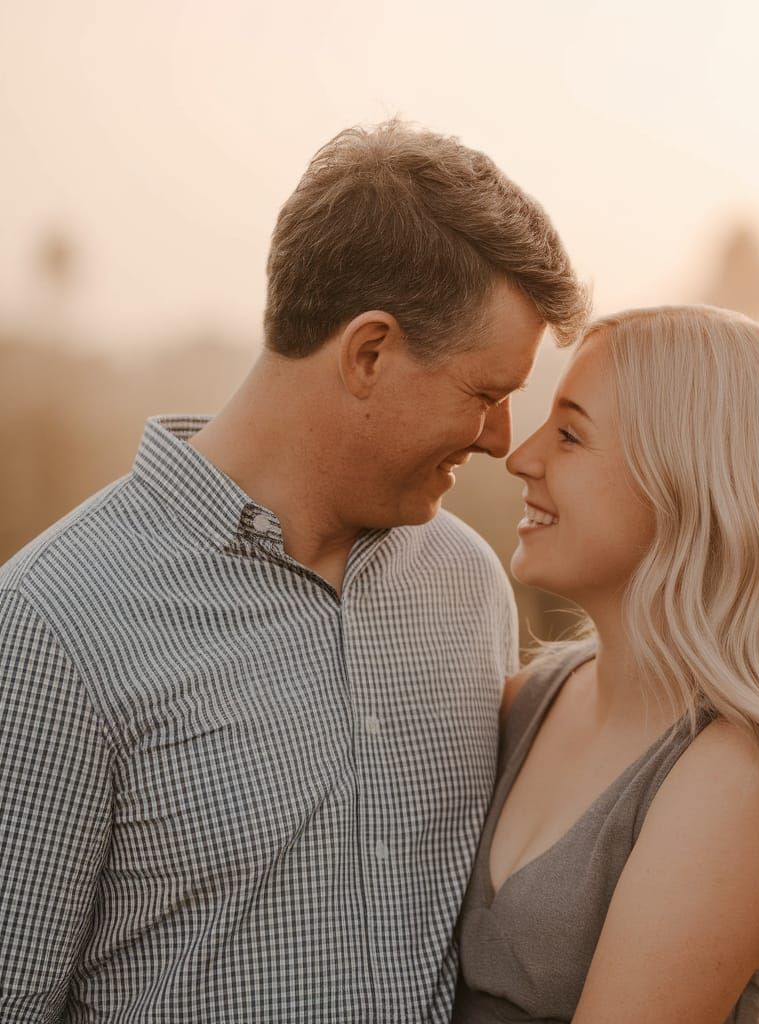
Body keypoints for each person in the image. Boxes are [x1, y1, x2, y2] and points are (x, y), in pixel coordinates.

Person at [0, 120, 589, 1022]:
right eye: (485, 394)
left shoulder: (468, 584)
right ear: (369, 353)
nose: (501, 440)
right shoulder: (53, 625)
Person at [453, 305, 759, 1023]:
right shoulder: (529, 699)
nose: (521, 457)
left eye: (570, 435)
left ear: (686, 482)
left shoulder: (738, 783)